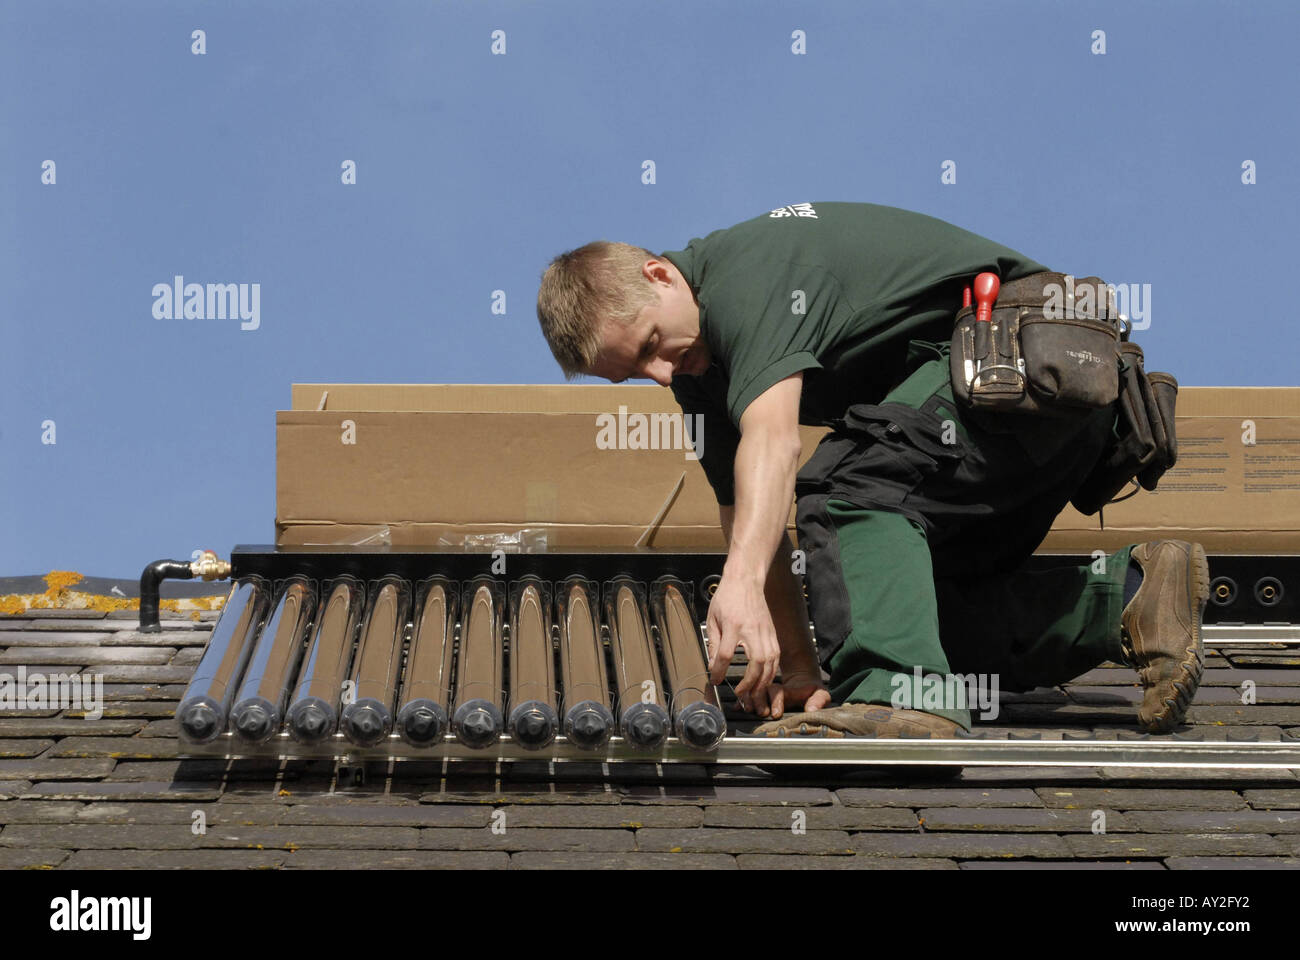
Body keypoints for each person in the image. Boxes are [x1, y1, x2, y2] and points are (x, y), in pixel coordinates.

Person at [535, 201, 1208, 738]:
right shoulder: (698, 374)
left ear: (659, 274)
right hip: (1039, 410)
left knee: (847, 488)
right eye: (634, 373)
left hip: (1023, 360)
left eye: (652, 345)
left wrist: (736, 588)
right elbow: (747, 514)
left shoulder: (745, 276)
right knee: (894, 601)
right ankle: (1130, 597)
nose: (658, 373)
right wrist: (800, 666)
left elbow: (773, 445)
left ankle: (899, 698)